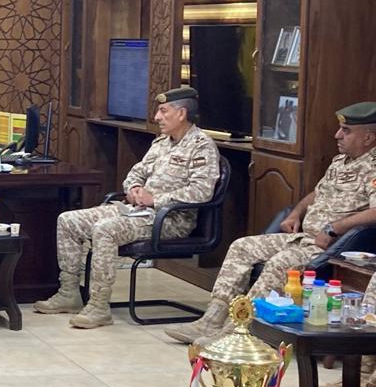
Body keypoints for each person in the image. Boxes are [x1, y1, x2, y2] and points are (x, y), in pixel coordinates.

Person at [166, 101, 376, 344]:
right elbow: (319, 193)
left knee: (280, 263)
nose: (337, 135)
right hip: (304, 237)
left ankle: (237, 332)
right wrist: (296, 212)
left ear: (368, 137)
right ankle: (211, 320)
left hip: (330, 247)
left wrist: (334, 228)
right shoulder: (341, 161)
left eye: (346, 131)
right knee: (241, 246)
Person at [34, 87, 220, 329]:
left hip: (169, 220)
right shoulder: (161, 143)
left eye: (163, 111)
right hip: (136, 210)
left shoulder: (201, 145)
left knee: (105, 229)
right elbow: (136, 172)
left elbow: (201, 192)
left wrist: (155, 199)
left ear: (181, 113)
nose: (157, 117)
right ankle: (69, 293)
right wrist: (133, 187)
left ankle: (99, 306)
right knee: (68, 220)